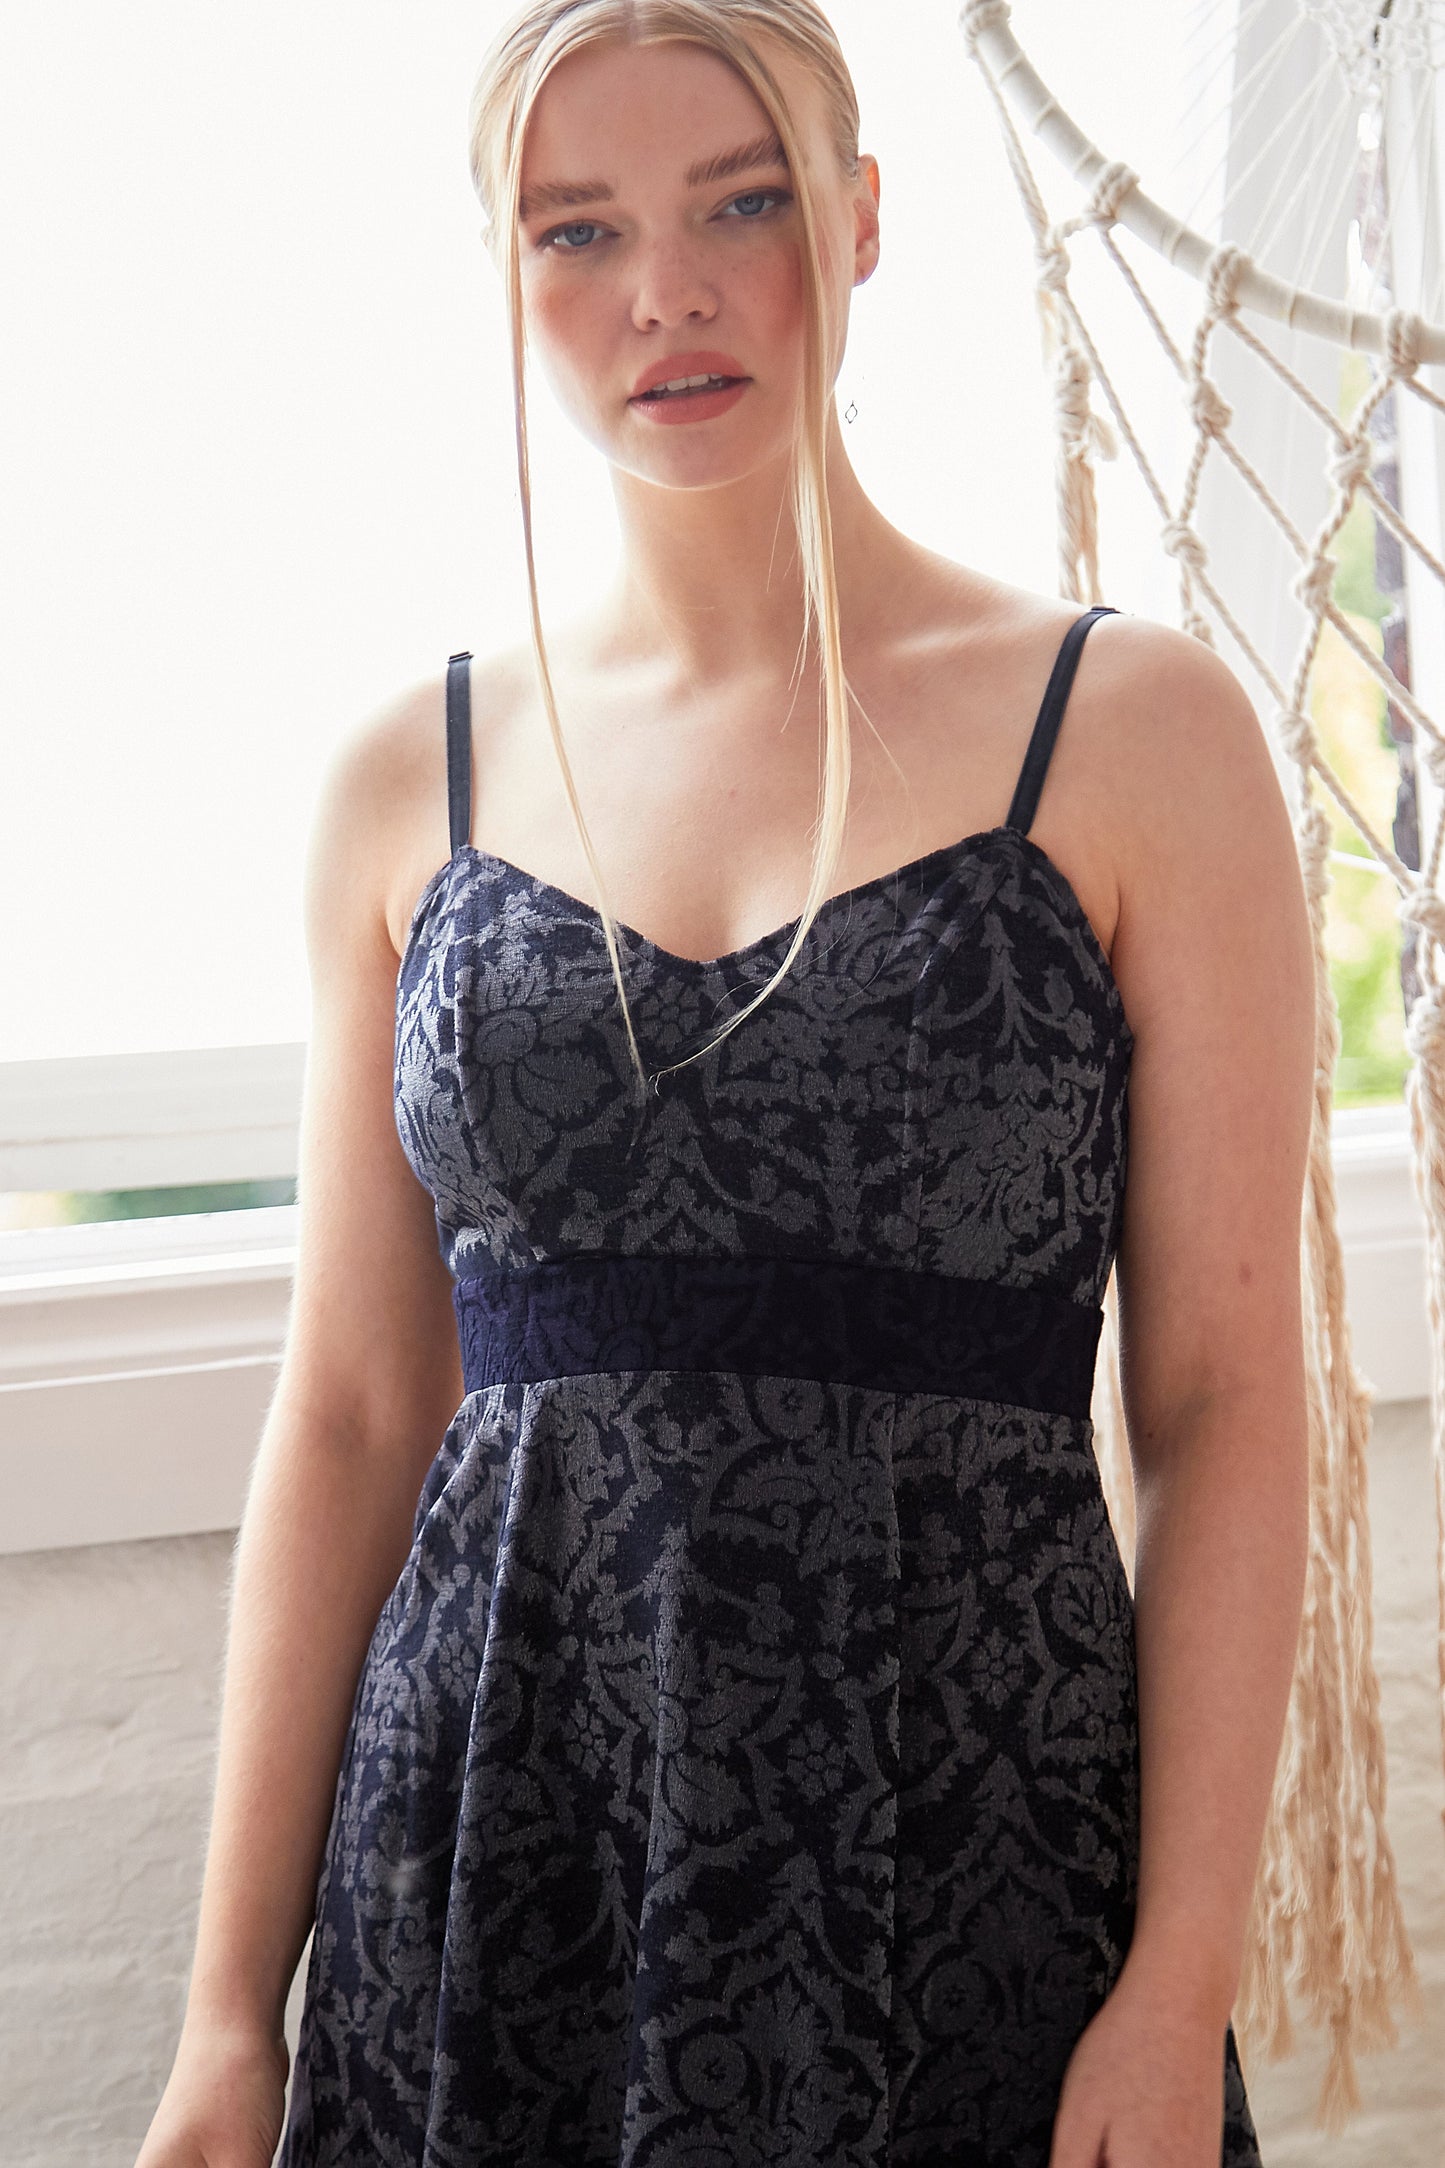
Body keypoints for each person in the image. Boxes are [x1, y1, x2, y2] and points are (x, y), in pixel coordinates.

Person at [136, 3, 1315, 2164]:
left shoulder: (1140, 731)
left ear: (864, 223)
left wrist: (1181, 1976)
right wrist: (228, 2013)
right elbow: (353, 1411)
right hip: (499, 1851)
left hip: (976, 1869)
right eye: (575, 230)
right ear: (506, 277)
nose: (662, 292)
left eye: (741, 204)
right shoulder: (411, 781)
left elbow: (1228, 1402)